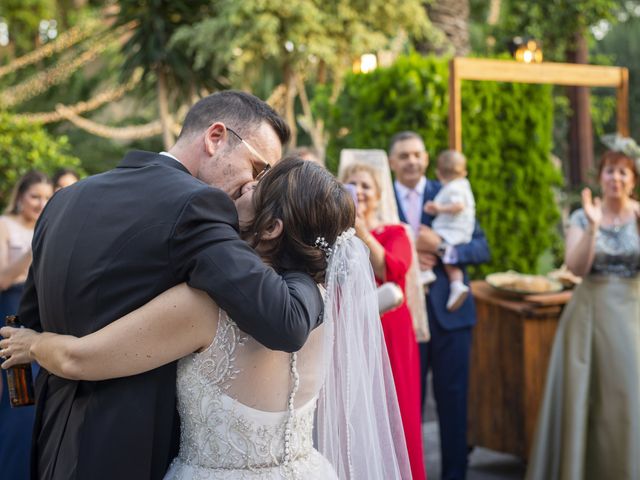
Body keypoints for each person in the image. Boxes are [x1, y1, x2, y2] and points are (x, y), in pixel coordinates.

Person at [1, 157, 412, 479]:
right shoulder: (322, 300)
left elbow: (78, 359)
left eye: (256, 186)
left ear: (271, 227)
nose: (243, 188)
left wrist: (32, 344)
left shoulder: (205, 306)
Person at [15, 91, 325, 480]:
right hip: (132, 448)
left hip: (52, 440)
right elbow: (285, 321)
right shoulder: (199, 207)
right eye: (258, 168)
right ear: (215, 138)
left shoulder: (63, 200)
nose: (254, 186)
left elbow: (27, 322)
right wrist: (311, 260)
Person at [526, 146, 640, 479]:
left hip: (632, 314)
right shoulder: (582, 215)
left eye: (623, 172)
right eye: (609, 171)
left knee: (628, 393)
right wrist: (592, 228)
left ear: (632, 180)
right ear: (600, 177)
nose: (615, 178)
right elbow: (576, 268)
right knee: (586, 399)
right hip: (590, 313)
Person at [389, 131, 490, 480]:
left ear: (427, 158)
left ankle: (455, 474)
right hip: (403, 317)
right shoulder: (382, 197)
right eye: (404, 156)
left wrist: (444, 250)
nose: (412, 161)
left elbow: (481, 247)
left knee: (454, 401)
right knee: (405, 405)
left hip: (451, 314)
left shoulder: (450, 192)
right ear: (392, 162)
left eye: (417, 154)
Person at [341, 161, 426, 480]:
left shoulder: (396, 232)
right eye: (352, 184)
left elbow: (391, 271)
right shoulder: (336, 238)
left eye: (366, 186)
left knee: (396, 413)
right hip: (354, 333)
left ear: (379, 194)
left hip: (391, 334)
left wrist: (362, 230)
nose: (359, 192)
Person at [0, 170, 53, 480]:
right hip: (11, 316)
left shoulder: (49, 227)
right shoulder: (6, 226)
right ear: (20, 197)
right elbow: (3, 278)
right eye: (35, 196)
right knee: (17, 400)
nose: (40, 203)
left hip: (41, 320)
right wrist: (36, 250)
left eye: (46, 197)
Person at [422, 150, 476, 311]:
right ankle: (456, 283)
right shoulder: (463, 185)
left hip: (452, 230)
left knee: (424, 236)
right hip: (457, 229)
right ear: (464, 172)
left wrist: (439, 207)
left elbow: (458, 206)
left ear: (438, 173)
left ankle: (427, 274)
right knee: (443, 254)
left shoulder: (453, 188)